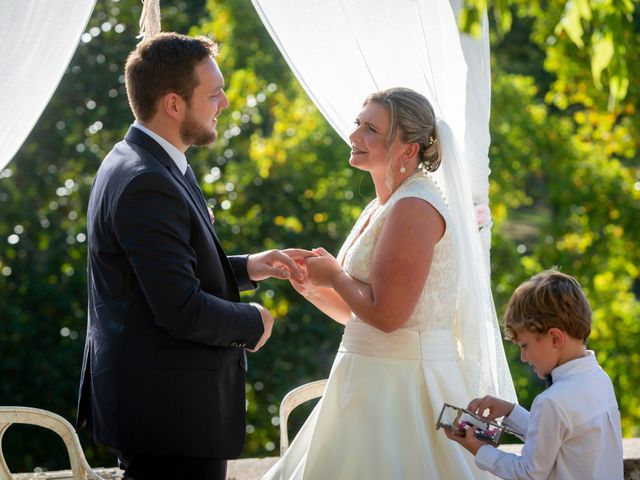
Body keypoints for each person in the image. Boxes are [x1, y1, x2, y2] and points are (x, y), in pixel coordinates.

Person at [76, 32, 307, 480]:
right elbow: (180, 309)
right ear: (173, 104)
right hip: (168, 415)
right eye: (214, 93)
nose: (223, 103)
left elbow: (159, 271)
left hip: (159, 407)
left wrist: (247, 266)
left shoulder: (140, 159)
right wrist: (253, 320)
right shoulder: (148, 181)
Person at [264, 87, 515, 479]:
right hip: (361, 375)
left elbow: (388, 315)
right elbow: (356, 315)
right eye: (357, 124)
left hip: (406, 385)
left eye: (371, 129)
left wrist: (333, 275)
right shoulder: (381, 205)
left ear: (408, 149)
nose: (354, 136)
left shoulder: (415, 206)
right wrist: (312, 286)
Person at [445, 269, 624, 479]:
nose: (523, 357)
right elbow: (556, 436)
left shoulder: (552, 401)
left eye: (525, 346)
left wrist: (480, 450)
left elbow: (529, 473)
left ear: (555, 338)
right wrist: (511, 412)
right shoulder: (599, 378)